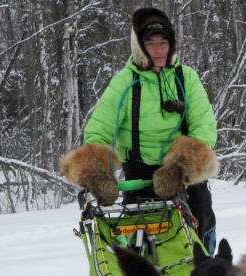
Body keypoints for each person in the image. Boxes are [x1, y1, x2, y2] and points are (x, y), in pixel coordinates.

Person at [60, 7, 219, 252]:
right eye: (151, 43)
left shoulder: (186, 78)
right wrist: (98, 173)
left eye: (164, 42)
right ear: (139, 47)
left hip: (183, 176)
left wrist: (180, 167)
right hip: (140, 177)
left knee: (201, 225)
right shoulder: (125, 82)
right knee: (142, 250)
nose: (159, 50)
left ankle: (207, 273)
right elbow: (98, 131)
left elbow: (204, 126)